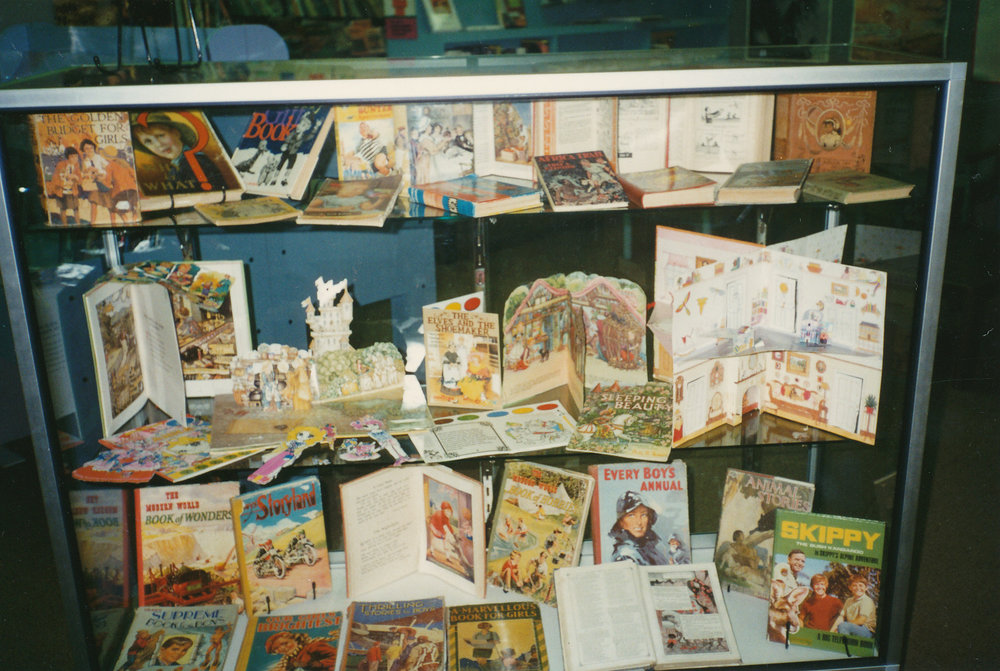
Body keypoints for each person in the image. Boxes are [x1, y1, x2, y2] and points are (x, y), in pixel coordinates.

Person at [132, 113, 223, 189]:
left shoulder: (195, 163)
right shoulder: (176, 166)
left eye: (161, 135)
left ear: (176, 133)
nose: (159, 144)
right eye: (148, 141)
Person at [609, 490, 669, 565]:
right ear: (621, 522)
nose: (639, 522)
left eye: (643, 515)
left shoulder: (653, 548)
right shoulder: (625, 556)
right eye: (631, 515)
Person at [265, 630, 340, 670]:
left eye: (285, 643)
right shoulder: (289, 660)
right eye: (276, 648)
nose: (282, 648)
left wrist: (320, 664)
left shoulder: (313, 646)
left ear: (294, 639)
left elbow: (337, 656)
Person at [832, 574, 876, 638]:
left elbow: (861, 620)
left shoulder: (867, 600)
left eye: (861, 585)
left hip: (866, 630)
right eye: (854, 585)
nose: (858, 588)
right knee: (838, 627)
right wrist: (833, 630)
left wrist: (842, 626)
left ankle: (845, 643)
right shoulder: (848, 600)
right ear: (850, 587)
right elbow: (841, 617)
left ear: (866, 588)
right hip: (851, 626)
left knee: (843, 626)